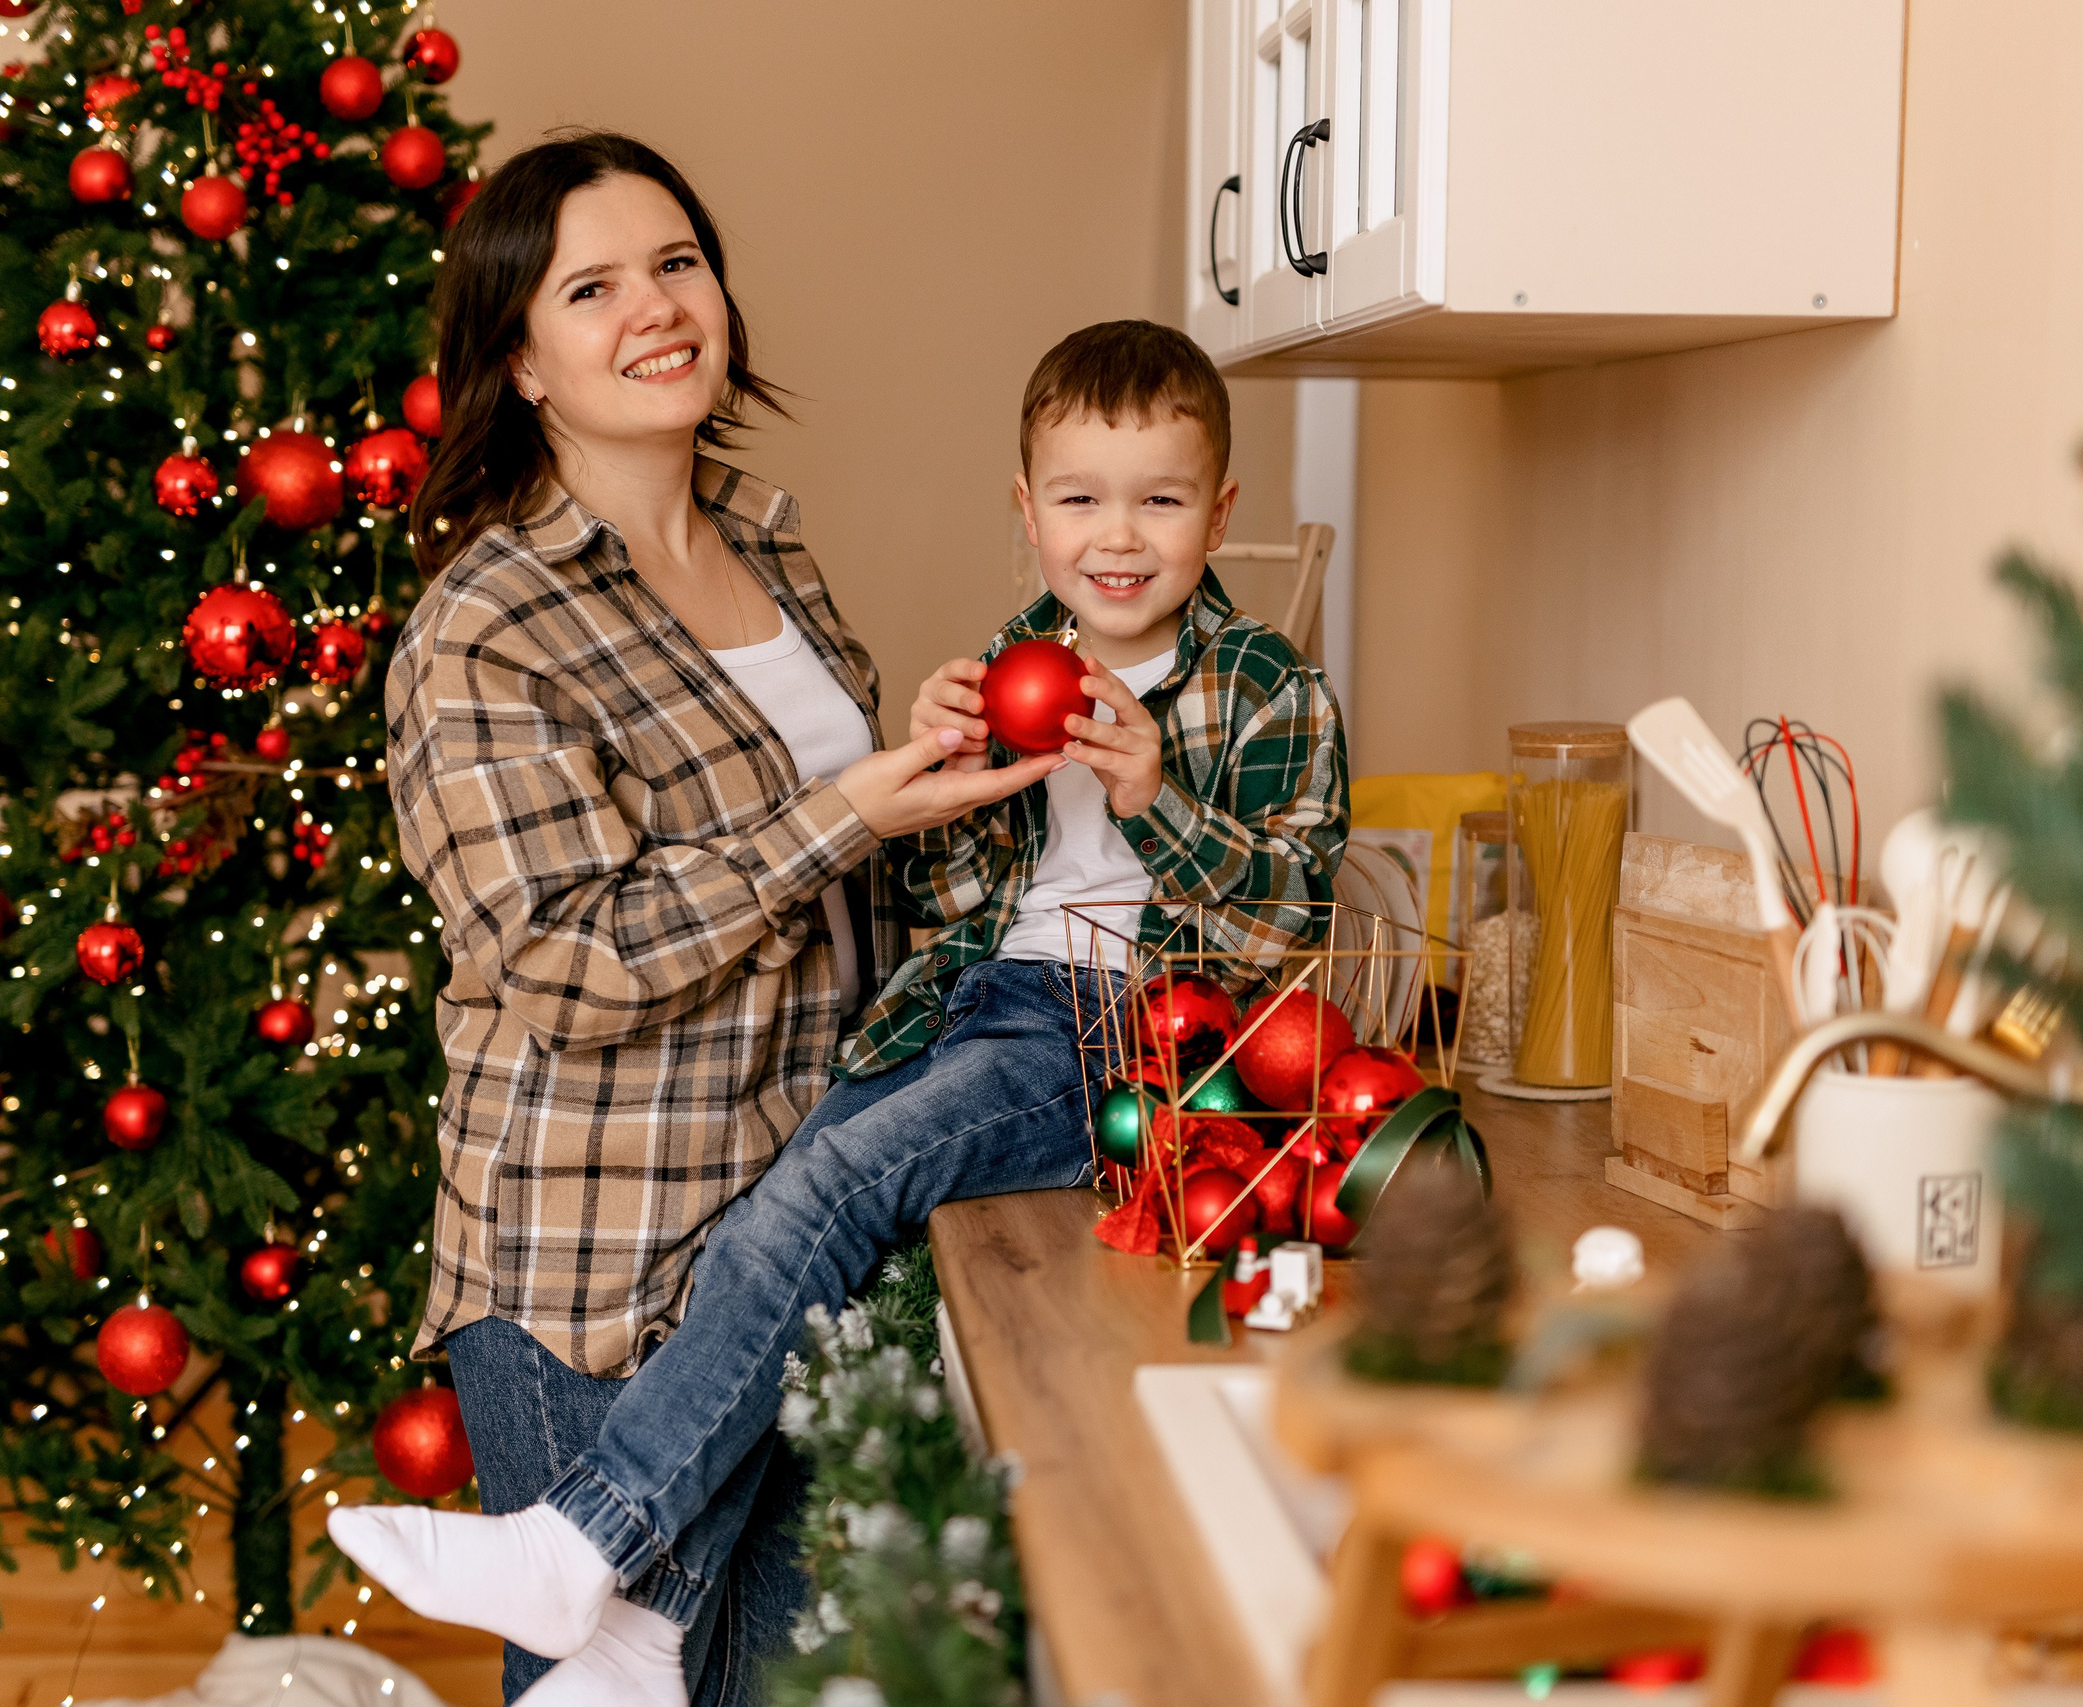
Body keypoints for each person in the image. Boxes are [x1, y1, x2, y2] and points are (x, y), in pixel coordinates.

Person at [341, 319, 1350, 1704]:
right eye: (1079, 498)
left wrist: (1151, 798)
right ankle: (639, 1620)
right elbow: (942, 894)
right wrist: (938, 766)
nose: (1119, 538)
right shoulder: (1017, 657)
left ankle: (587, 1539)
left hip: (1121, 1037)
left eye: (1161, 501)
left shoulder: (1267, 686)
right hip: (967, 1009)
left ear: (1219, 510)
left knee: (828, 1191)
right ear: (1028, 509)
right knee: (789, 1220)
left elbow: (1288, 924)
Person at [365, 132, 1062, 1705]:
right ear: (521, 361)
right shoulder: (484, 623)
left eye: (677, 263)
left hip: (794, 1240)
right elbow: (561, 961)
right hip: (600, 1267)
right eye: (593, 286)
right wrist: (845, 814)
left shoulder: (769, 547)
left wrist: (956, 775)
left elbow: (844, 885)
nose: (658, 307)